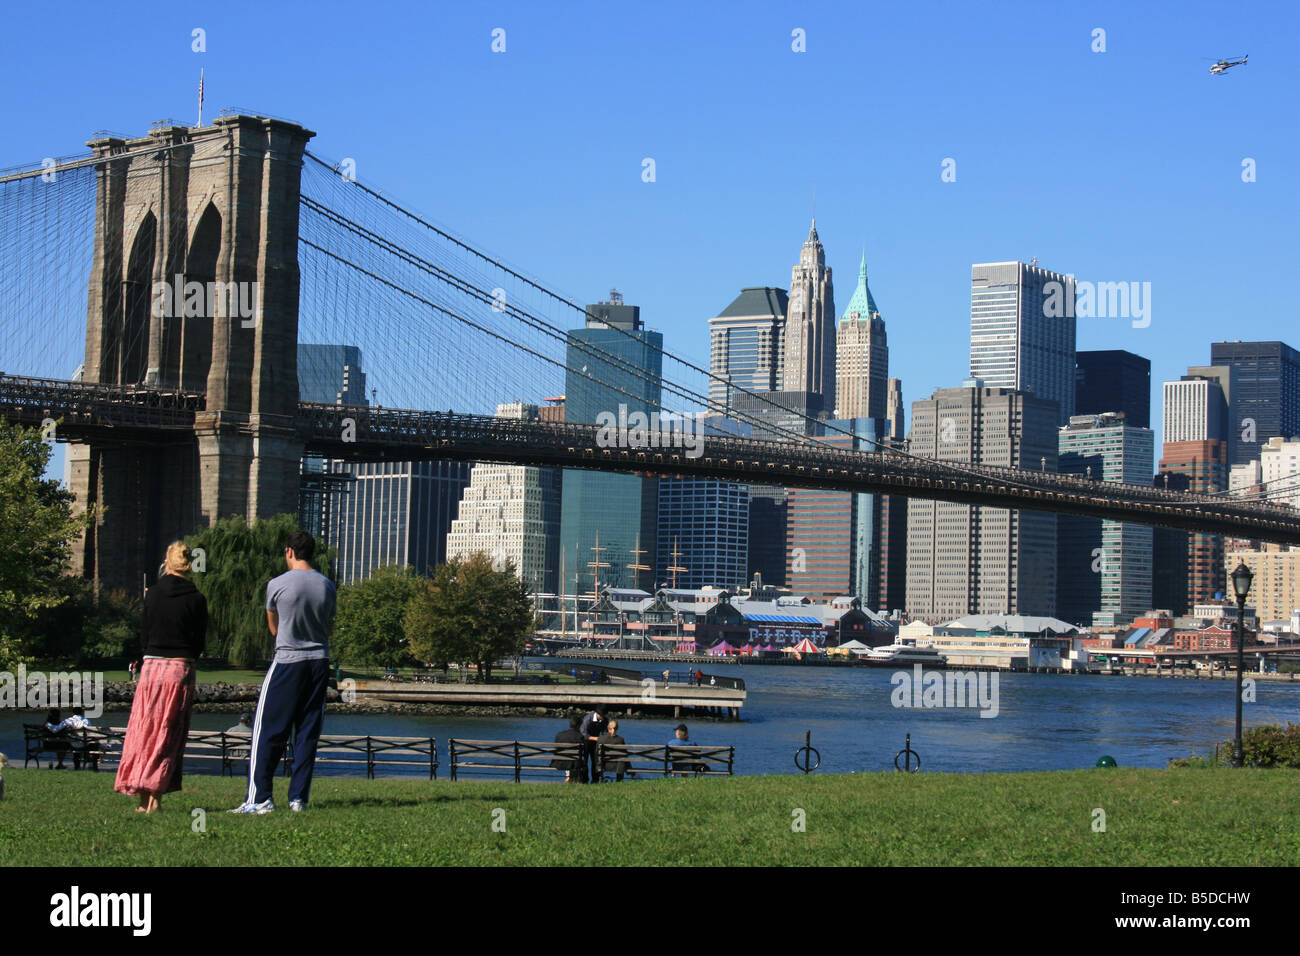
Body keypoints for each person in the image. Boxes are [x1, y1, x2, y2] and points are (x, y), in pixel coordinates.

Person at [231, 530, 336, 815]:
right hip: (318, 663)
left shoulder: (276, 584)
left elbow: (273, 627)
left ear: (289, 551)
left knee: (267, 730)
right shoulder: (327, 585)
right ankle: (298, 798)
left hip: (288, 661)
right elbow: (329, 626)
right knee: (307, 731)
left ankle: (260, 797)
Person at [114, 541, 207, 812]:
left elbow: (144, 635)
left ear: (167, 563)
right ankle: (156, 796)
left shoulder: (152, 595)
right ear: (189, 565)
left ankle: (144, 796)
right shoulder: (197, 599)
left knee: (145, 730)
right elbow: (198, 642)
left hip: (151, 669)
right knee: (169, 733)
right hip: (180, 669)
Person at [551, 714, 587, 783]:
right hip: (573, 764)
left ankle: (569, 777)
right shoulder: (580, 737)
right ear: (579, 725)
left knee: (571, 759)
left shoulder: (559, 735)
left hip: (559, 762)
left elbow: (556, 749)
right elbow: (584, 753)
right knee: (576, 761)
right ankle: (571, 778)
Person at [579, 705, 609, 783]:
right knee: (584, 761)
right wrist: (594, 738)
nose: (602, 717)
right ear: (597, 714)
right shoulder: (587, 719)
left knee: (595, 761)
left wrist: (603, 738)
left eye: (603, 715)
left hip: (596, 742)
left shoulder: (605, 720)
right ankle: (584, 779)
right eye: (601, 715)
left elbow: (605, 732)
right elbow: (583, 733)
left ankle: (595, 780)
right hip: (585, 742)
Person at [596, 718, 629, 782]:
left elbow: (596, 753)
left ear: (608, 728)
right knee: (622, 759)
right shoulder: (620, 740)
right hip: (617, 765)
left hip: (604, 764)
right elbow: (625, 754)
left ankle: (601, 779)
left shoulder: (601, 739)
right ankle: (619, 780)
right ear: (617, 728)